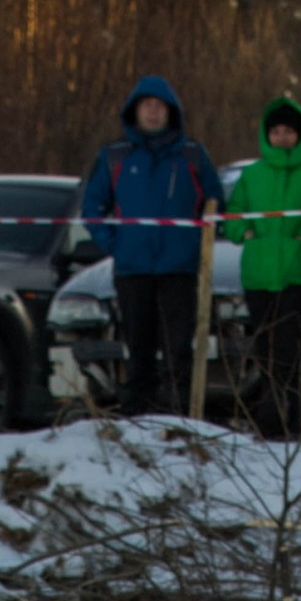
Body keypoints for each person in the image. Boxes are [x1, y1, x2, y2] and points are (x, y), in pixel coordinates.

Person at [79, 73, 224, 420]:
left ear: (170, 111)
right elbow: (92, 208)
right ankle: (136, 417)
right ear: (135, 111)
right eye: (147, 106)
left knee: (178, 349)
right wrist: (115, 244)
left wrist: (194, 240)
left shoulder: (191, 154)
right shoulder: (114, 156)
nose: (153, 113)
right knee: (138, 349)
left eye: (159, 106)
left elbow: (216, 201)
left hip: (179, 268)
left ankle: (178, 417)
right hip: (133, 269)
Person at [222, 95, 301, 437]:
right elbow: (233, 215)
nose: (282, 137)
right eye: (277, 131)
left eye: (288, 131)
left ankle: (288, 422)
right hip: (258, 275)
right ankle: (270, 420)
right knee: (265, 350)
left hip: (299, 274)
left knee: (289, 350)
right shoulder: (252, 175)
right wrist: (244, 231)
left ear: (300, 135)